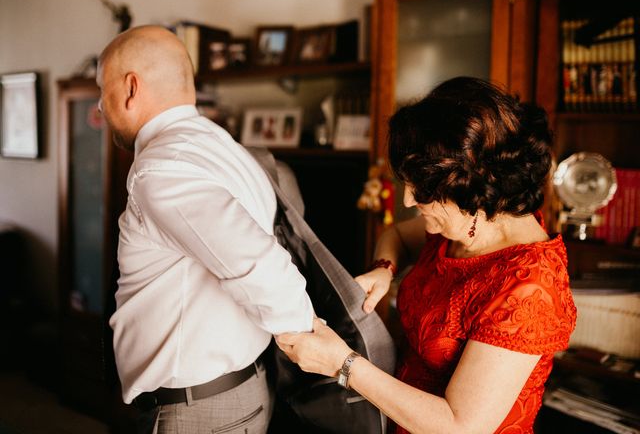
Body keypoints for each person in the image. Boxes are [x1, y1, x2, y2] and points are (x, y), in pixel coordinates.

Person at [276, 77, 577, 434]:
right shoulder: (463, 225)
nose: (407, 201)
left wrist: (342, 363)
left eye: (421, 189)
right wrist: (384, 269)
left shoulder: (529, 288)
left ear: (473, 185)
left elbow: (460, 426)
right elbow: (397, 235)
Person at [98, 25, 314, 433]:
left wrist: (307, 341)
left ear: (130, 88)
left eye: (101, 89)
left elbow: (263, 265)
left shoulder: (162, 170)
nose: (100, 106)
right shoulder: (223, 147)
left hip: (195, 413)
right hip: (235, 392)